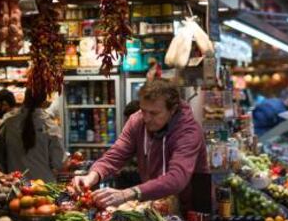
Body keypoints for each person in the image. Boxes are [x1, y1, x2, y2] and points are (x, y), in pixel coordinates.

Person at [73, 79, 208, 209]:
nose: (146, 118)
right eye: (143, 110)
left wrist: (128, 193)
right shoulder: (137, 121)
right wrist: (93, 175)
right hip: (157, 201)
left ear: (172, 110)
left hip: (192, 204)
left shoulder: (188, 132)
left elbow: (176, 179)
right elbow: (116, 154)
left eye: (154, 113)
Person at [0, 88, 66, 181]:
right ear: (44, 101)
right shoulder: (51, 126)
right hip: (44, 186)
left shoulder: (8, 122)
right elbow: (59, 163)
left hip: (17, 185)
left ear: (25, 98)